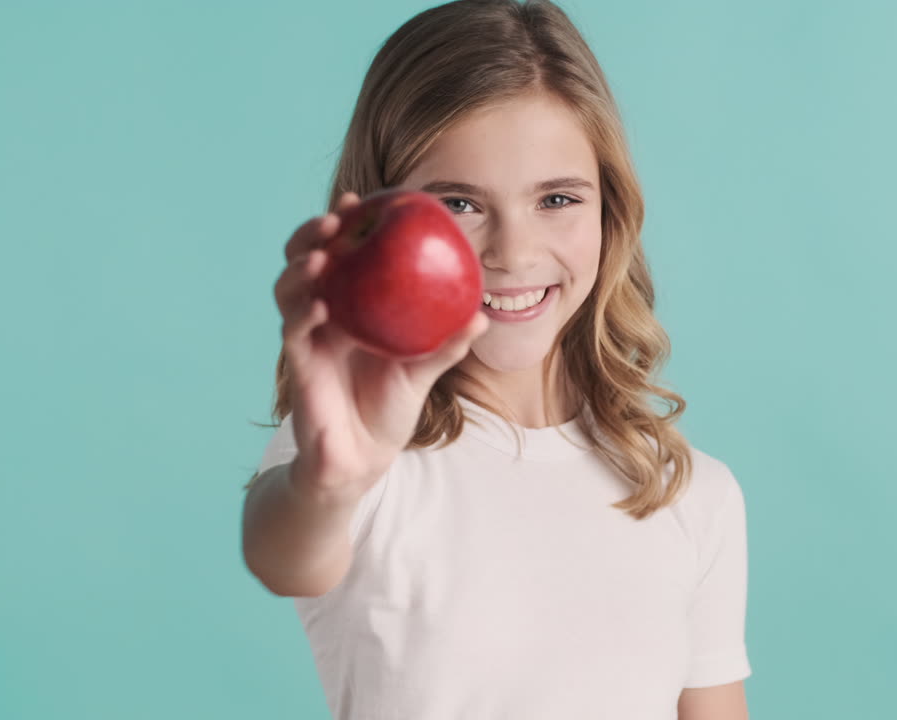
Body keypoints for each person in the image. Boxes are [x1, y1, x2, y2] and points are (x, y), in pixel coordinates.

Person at [241, 1, 751, 717]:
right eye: (458, 203)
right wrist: (328, 486)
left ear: (611, 209)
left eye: (556, 198)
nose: (513, 253)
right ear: (380, 215)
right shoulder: (361, 458)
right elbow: (285, 553)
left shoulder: (689, 492)